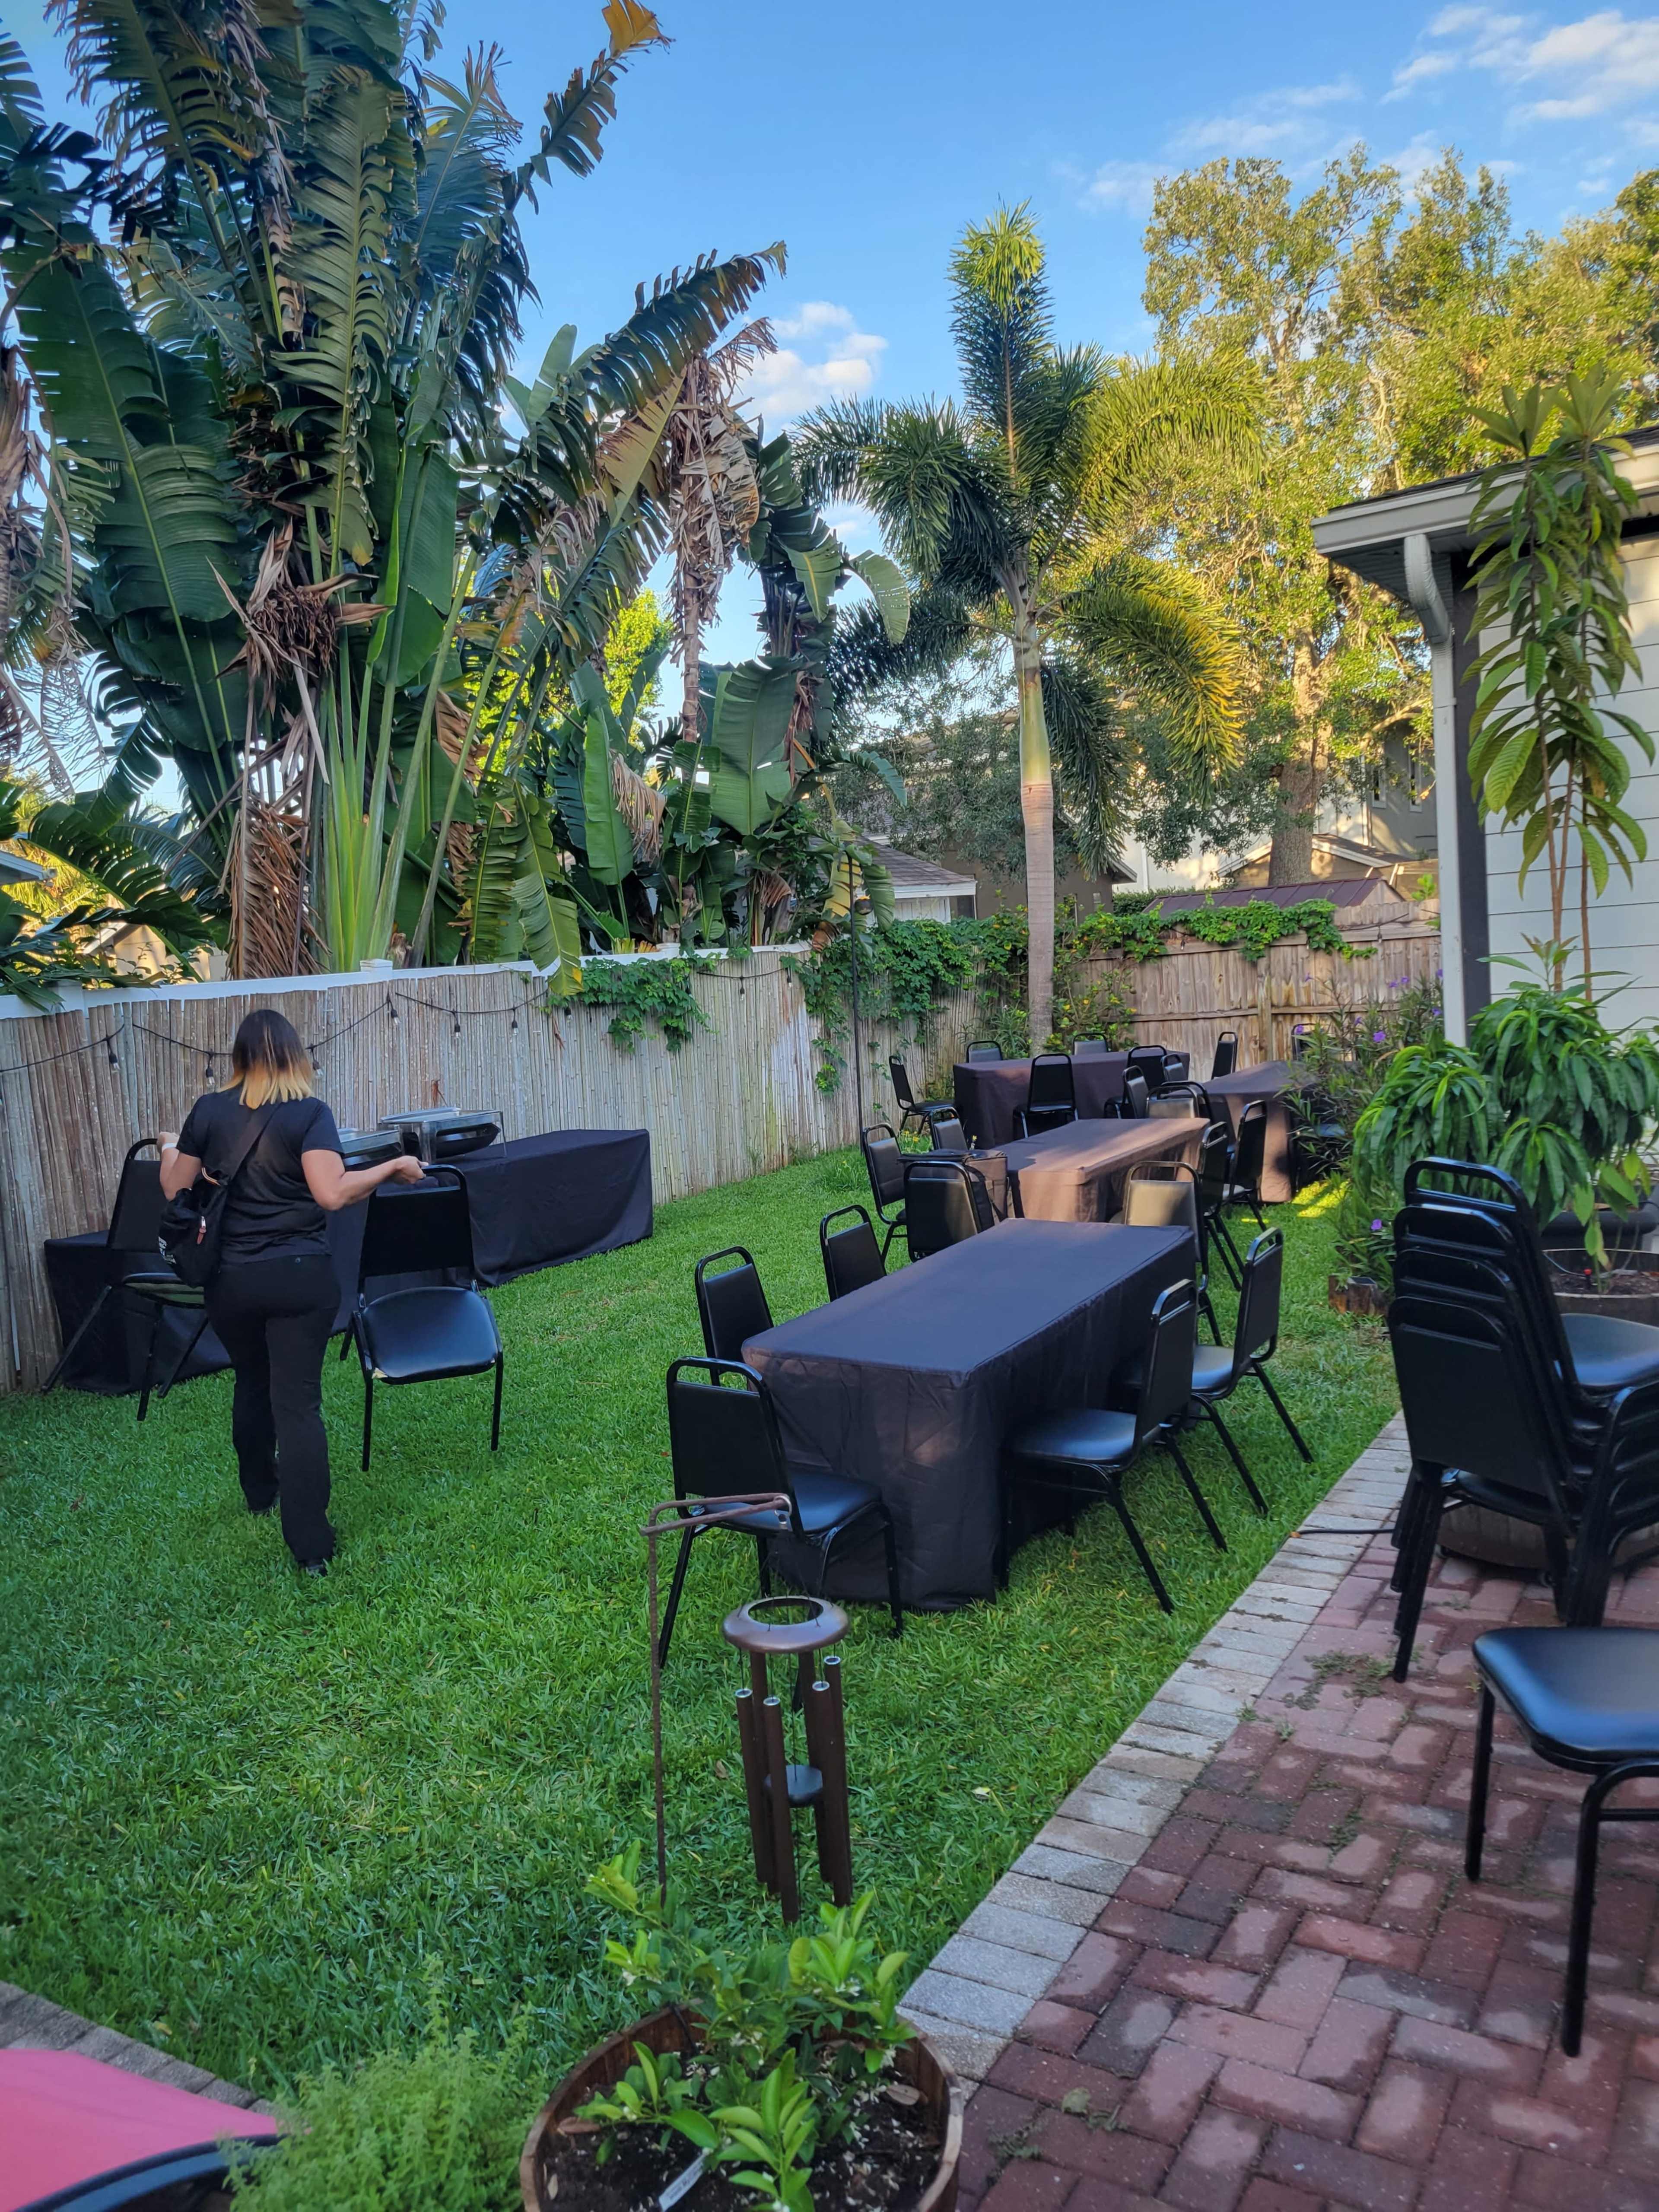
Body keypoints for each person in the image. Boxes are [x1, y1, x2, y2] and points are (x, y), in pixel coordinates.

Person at [159, 1009, 424, 1573]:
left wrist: (168, 1147)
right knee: (298, 1406)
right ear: (297, 1058)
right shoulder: (310, 1113)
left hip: (231, 1282)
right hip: (301, 1278)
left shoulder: (210, 1111)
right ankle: (311, 1549)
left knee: (253, 1380)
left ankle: (260, 1492)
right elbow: (331, 1194)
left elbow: (172, 1187)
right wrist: (390, 1167)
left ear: (239, 1058)